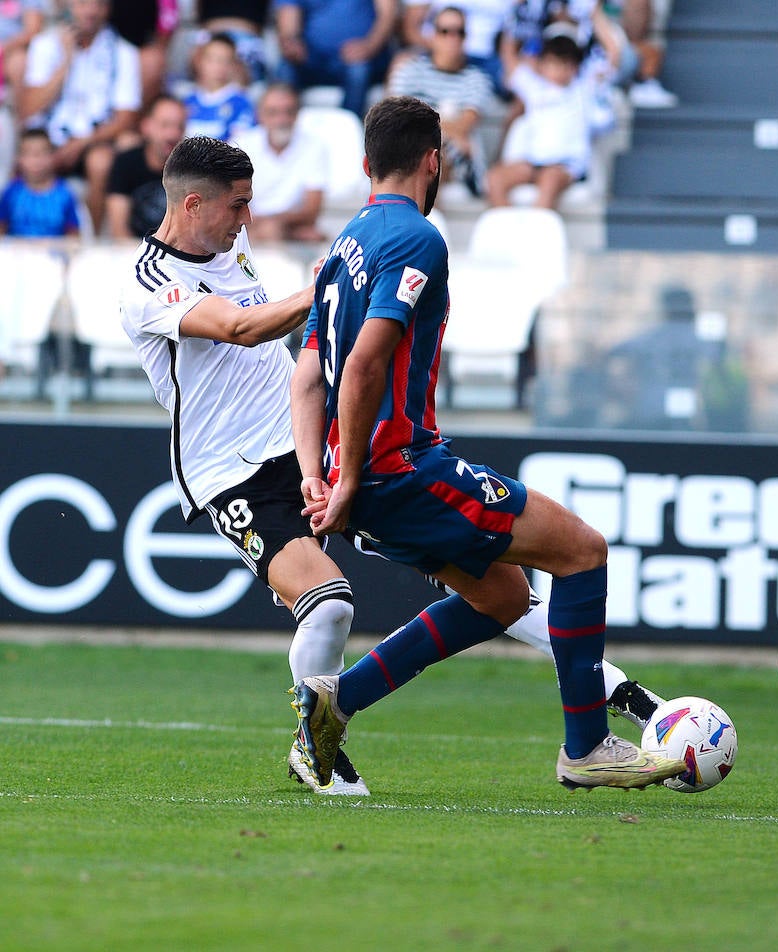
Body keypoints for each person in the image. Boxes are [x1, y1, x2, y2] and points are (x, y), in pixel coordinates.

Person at [117, 134, 676, 798]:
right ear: (191, 203)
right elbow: (243, 328)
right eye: (235, 206)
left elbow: (295, 351)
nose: (246, 221)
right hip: (233, 474)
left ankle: (628, 700)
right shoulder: (149, 284)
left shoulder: (228, 243)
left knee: (497, 588)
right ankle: (314, 743)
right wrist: (331, 284)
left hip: (311, 450)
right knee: (327, 606)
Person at [286, 95, 685, 793]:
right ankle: (587, 746)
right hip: (402, 470)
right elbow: (362, 365)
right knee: (583, 551)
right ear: (435, 162)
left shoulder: (344, 242)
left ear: (365, 164)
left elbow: (306, 377)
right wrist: (348, 477)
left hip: (364, 476)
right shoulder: (416, 238)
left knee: (501, 597)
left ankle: (337, 700)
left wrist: (315, 473)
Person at [18, 0, 142, 235]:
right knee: (33, 153)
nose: (90, 11)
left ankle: (92, 241)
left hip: (93, 141)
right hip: (49, 137)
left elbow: (126, 118)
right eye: (83, 4)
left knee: (101, 161)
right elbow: (28, 108)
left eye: (98, 5)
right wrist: (66, 62)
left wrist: (80, 144)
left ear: (108, 9)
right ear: (69, 6)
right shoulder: (45, 45)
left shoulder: (124, 52)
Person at [485, 28, 607, 210]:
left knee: (548, 182)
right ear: (542, 64)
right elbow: (509, 58)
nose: (561, 70)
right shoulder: (534, 87)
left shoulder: (584, 91)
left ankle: (537, 235)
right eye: (555, 63)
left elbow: (613, 59)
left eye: (567, 64)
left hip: (565, 166)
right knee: (494, 180)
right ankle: (512, 230)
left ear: (576, 67)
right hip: (532, 163)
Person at [387, 4, 496, 197]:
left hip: (456, 160)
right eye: (445, 31)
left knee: (434, 155)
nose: (452, 38)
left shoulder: (478, 79)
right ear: (433, 35)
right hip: (423, 149)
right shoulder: (409, 70)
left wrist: (421, 122)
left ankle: (422, 219)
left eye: (459, 32)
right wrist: (444, 126)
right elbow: (397, 120)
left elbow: (464, 125)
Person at [232, 83, 328, 243]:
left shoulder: (314, 146)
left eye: (288, 112)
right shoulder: (241, 144)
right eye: (273, 113)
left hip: (288, 227)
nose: (281, 120)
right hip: (250, 227)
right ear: (260, 115)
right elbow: (230, 201)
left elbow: (312, 211)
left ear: (297, 115)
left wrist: (272, 224)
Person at [275, 0, 398, 119]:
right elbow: (288, 19)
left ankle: (348, 132)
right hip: (311, 59)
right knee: (286, 68)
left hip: (363, 57)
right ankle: (288, 130)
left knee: (358, 70)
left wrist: (369, 46)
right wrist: (293, 44)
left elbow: (387, 15)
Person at [106, 93, 187, 239]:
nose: (173, 134)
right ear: (146, 126)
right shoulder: (126, 162)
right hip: (132, 253)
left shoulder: (191, 169)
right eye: (165, 125)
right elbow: (119, 229)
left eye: (180, 127)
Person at [0, 128, 83, 237]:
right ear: (19, 159)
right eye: (29, 154)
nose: (36, 160)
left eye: (42, 153)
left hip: (55, 253)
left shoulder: (65, 194)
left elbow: (73, 235)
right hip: (17, 253)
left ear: (53, 156)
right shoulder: (11, 193)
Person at [181, 32, 257, 141]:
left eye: (224, 60)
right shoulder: (187, 101)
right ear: (199, 62)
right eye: (212, 59)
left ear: (234, 65)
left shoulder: (241, 103)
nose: (218, 66)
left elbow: (241, 143)